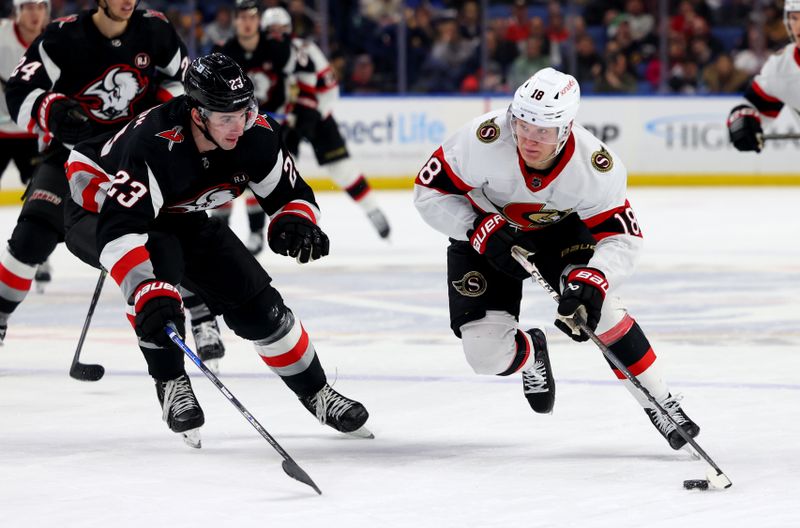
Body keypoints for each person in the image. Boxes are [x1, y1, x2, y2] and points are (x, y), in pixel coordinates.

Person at [63, 53, 372, 447]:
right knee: (159, 283)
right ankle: (171, 381)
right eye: (225, 116)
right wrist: (142, 291)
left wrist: (295, 221)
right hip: (96, 207)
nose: (238, 126)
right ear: (196, 113)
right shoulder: (154, 147)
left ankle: (317, 393)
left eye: (244, 112)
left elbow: (290, 194)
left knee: (260, 307)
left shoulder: (256, 134)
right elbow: (119, 231)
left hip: (177, 212)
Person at [413, 68, 700, 451]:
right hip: (485, 231)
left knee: (600, 311)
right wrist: (475, 227)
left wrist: (594, 278)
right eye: (523, 125)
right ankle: (532, 352)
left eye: (543, 131)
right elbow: (428, 191)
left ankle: (662, 403)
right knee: (485, 357)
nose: (529, 139)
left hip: (561, 235)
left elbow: (622, 237)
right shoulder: (482, 138)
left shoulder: (596, 166)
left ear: (566, 129)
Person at [0, 0, 188, 345]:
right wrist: (52, 111)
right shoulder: (63, 36)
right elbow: (20, 88)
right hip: (72, 155)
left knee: (176, 235)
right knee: (32, 236)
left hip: (137, 156)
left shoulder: (156, 29)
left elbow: (185, 81)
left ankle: (203, 317)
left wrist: (159, 108)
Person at [260, 6, 391, 242]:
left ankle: (373, 210)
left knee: (342, 168)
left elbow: (330, 88)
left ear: (290, 30)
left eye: (282, 29)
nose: (277, 34)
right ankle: (276, 226)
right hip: (283, 121)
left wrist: (313, 115)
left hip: (315, 116)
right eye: (272, 30)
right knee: (276, 175)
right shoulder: (258, 56)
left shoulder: (306, 49)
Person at [0, 0, 50, 292]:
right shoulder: (2, 35)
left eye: (40, 7)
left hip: (32, 132)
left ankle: (37, 254)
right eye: (28, 7)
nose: (34, 14)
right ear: (17, 12)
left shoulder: (53, 41)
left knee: (41, 197)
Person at [727, 0, 800, 153]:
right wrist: (743, 121)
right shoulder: (781, 68)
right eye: (794, 17)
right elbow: (752, 107)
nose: (799, 26)